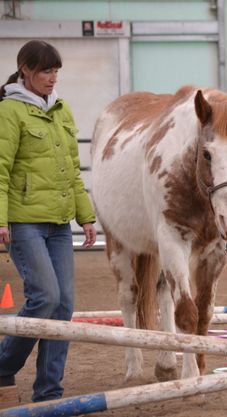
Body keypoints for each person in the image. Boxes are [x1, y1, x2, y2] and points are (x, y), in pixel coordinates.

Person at [0, 40, 96, 402]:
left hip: (59, 224)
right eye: (45, 70)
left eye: (55, 70)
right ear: (24, 69)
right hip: (24, 222)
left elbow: (71, 169)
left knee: (64, 305)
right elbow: (0, 170)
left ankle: (49, 392)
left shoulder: (62, 110)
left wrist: (85, 216)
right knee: (45, 297)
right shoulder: (9, 111)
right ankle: (3, 363)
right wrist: (1, 220)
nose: (52, 77)